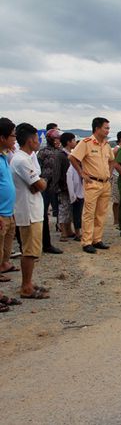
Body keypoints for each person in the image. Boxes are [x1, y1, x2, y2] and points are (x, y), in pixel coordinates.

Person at [11, 123, 50, 299]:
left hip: (33, 208)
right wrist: (41, 182)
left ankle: (29, 282)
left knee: (33, 249)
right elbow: (39, 184)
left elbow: (37, 184)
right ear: (30, 140)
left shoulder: (27, 158)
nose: (38, 142)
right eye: (36, 139)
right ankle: (26, 286)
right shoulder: (21, 160)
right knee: (29, 250)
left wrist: (39, 183)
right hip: (27, 210)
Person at [69, 117, 114, 254]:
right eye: (106, 128)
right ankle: (87, 241)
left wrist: (110, 173)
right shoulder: (86, 143)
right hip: (92, 183)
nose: (108, 130)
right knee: (89, 213)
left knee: (101, 213)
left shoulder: (106, 145)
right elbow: (72, 157)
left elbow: (112, 160)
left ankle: (97, 239)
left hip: (105, 183)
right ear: (97, 128)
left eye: (108, 128)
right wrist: (82, 173)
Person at [0, 118, 23, 311]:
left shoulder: (4, 156)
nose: (15, 139)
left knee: (3, 256)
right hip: (0, 215)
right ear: (2, 137)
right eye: (13, 135)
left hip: (8, 213)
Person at [36, 128, 64, 254]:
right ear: (50, 139)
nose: (58, 141)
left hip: (56, 184)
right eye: (56, 139)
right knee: (43, 212)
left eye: (59, 139)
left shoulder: (60, 151)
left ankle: (61, 229)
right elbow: (38, 168)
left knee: (59, 208)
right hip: (44, 185)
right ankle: (42, 240)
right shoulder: (42, 152)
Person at [52, 132, 75, 242]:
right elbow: (56, 171)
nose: (75, 142)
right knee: (63, 208)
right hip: (63, 185)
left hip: (70, 186)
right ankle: (63, 232)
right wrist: (56, 185)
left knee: (69, 208)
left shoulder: (71, 153)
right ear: (68, 142)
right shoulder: (60, 155)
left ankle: (69, 229)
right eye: (73, 140)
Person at [62, 133, 83, 241]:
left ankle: (79, 231)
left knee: (80, 214)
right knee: (76, 214)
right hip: (76, 195)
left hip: (82, 193)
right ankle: (77, 232)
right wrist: (73, 196)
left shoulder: (82, 167)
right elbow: (70, 183)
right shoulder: (71, 169)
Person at [110, 132, 121, 227]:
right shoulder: (117, 149)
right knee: (117, 200)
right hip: (116, 176)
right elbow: (111, 161)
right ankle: (116, 220)